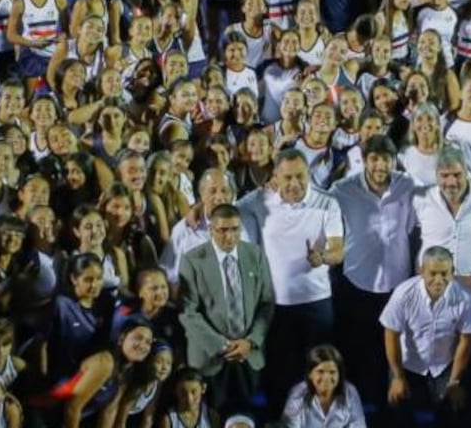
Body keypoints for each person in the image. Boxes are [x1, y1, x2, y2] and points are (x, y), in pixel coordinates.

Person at [238, 148, 344, 420]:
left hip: (316, 302)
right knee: (278, 373)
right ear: (275, 176)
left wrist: (322, 257)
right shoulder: (260, 200)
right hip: (275, 306)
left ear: (309, 174)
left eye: (300, 176)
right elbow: (229, 207)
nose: (294, 184)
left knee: (317, 370)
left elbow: (338, 250)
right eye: (287, 178)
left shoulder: (326, 202)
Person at [331, 135, 417, 413]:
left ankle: (389, 411)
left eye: (386, 159)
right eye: (374, 159)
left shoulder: (408, 186)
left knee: (392, 354)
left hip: (396, 285)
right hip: (356, 284)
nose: (380, 165)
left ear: (394, 160)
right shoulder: (342, 190)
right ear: (365, 160)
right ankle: (355, 410)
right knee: (356, 351)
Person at [177, 203, 275, 419]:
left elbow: (266, 302)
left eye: (235, 229)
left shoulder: (255, 254)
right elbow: (187, 312)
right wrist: (222, 345)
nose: (230, 237)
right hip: (209, 357)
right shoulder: (192, 260)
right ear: (211, 230)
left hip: (248, 354)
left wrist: (251, 341)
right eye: (223, 230)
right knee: (211, 417)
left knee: (248, 416)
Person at [379, 246, 471, 427]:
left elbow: (466, 341)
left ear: (452, 272)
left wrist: (455, 381)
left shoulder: (466, 298)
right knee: (398, 412)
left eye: (444, 273)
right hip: (409, 365)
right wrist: (397, 376)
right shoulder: (403, 294)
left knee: (455, 410)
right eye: (433, 273)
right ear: (421, 271)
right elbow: (391, 335)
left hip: (444, 366)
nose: (439, 280)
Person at [413, 146, 471, 281]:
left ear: (466, 173)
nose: (451, 182)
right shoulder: (420, 199)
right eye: (444, 175)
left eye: (457, 175)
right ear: (436, 175)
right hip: (430, 290)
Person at [279, 345, 366, 428]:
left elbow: (358, 425)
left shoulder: (350, 392)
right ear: (310, 374)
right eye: (320, 371)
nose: (326, 378)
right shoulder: (298, 393)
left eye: (332, 372)